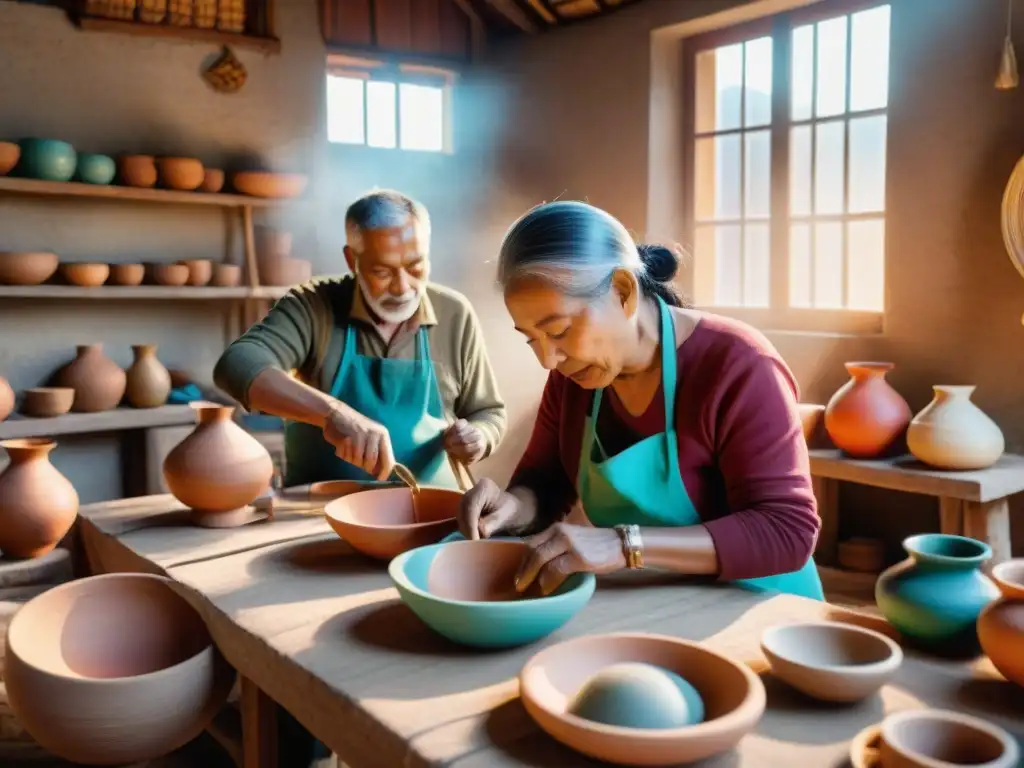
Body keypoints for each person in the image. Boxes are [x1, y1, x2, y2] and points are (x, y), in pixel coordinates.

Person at [457, 200, 823, 601]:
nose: (548, 360)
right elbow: (545, 483)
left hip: (760, 605)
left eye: (559, 330)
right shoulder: (574, 377)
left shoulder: (737, 363)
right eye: (531, 338)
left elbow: (786, 531)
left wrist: (623, 544)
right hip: (657, 601)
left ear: (622, 291)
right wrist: (513, 507)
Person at [214, 189, 507, 489]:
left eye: (415, 266)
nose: (402, 287)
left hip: (436, 508)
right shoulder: (313, 306)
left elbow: (488, 412)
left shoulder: (455, 314)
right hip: (323, 511)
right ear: (352, 258)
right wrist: (333, 414)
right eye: (382, 272)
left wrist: (479, 437)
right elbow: (237, 364)